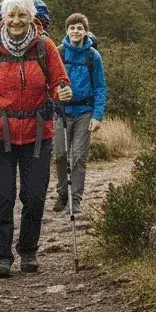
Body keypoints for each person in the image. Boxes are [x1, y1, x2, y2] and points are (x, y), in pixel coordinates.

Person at [0, 0, 72, 278]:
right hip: (0, 134)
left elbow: (59, 80)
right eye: (11, 14)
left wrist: (62, 90)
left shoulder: (44, 47)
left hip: (39, 133)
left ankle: (28, 251)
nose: (16, 20)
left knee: (34, 196)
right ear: (3, 17)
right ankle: (1, 256)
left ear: (31, 17)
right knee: (2, 197)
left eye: (22, 14)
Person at [53, 12, 107, 217]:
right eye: (72, 28)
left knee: (78, 157)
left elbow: (100, 87)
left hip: (85, 112)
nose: (76, 31)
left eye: (79, 28)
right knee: (59, 155)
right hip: (62, 112)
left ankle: (75, 199)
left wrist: (97, 115)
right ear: (67, 30)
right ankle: (62, 193)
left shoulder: (93, 56)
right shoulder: (59, 53)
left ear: (85, 31)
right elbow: (50, 81)